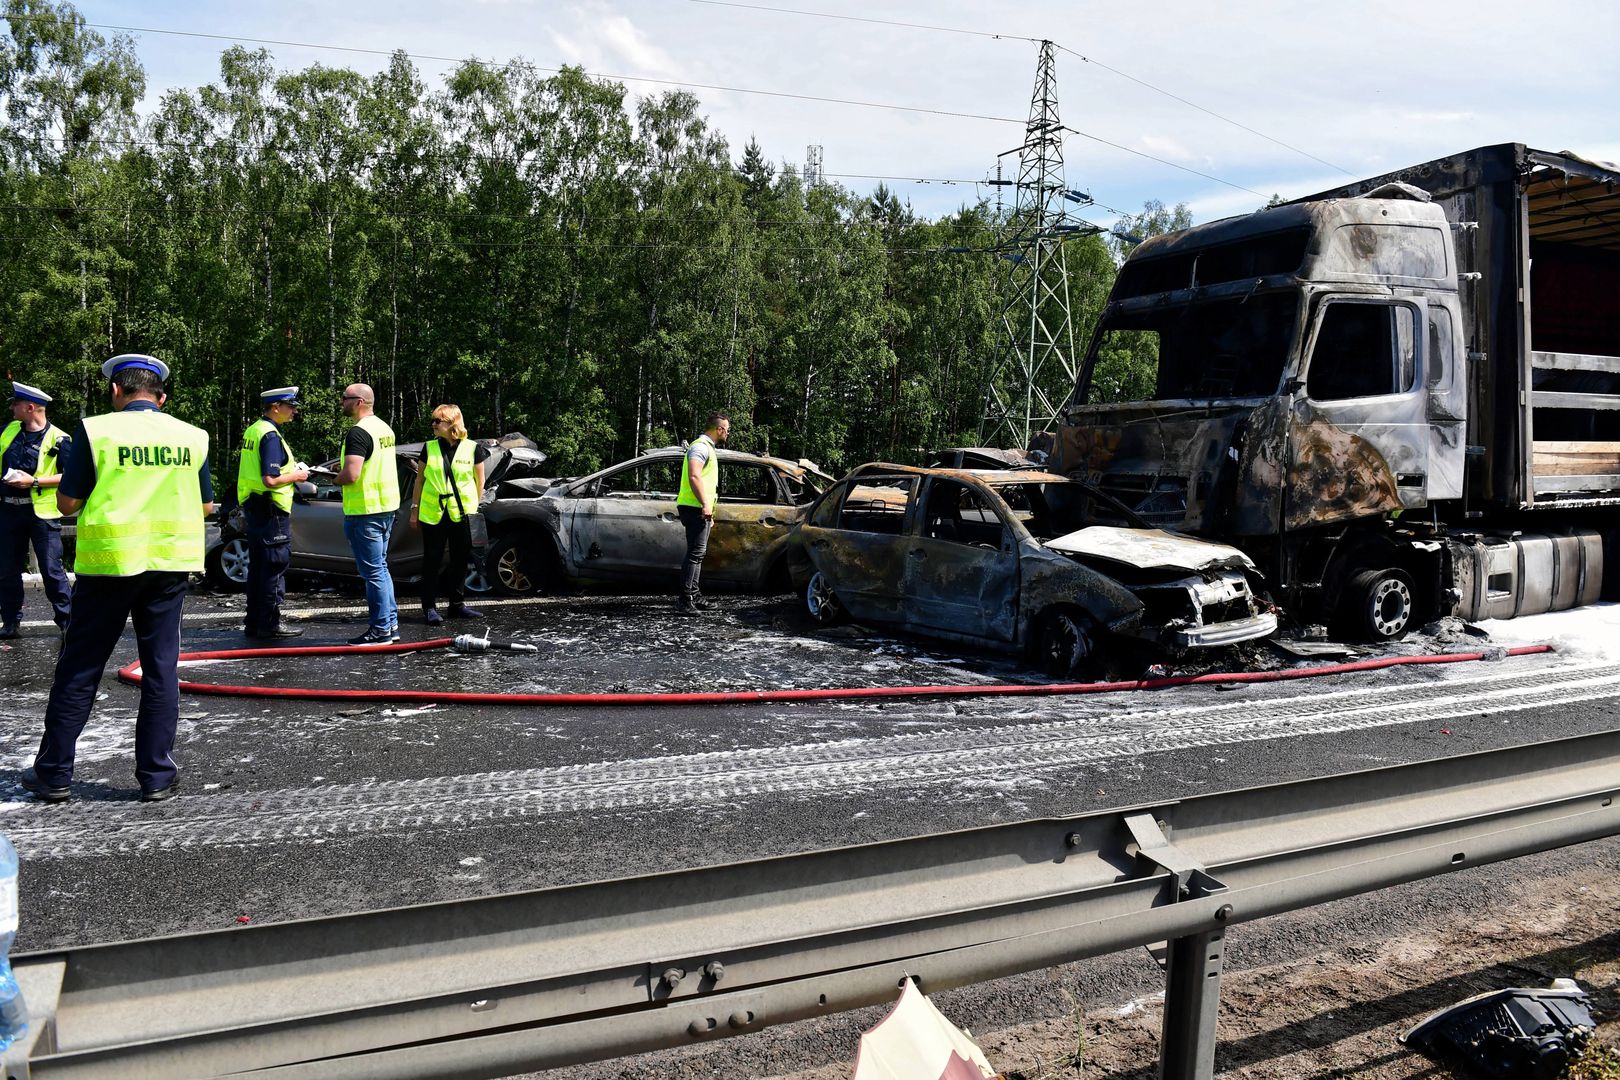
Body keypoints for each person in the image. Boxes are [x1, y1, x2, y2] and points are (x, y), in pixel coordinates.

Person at [20, 353, 212, 804]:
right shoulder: (193, 436)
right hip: (169, 566)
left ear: (115, 392)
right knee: (161, 669)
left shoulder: (97, 429)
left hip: (110, 564)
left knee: (81, 667)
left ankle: (54, 773)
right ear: (161, 397)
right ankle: (157, 776)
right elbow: (204, 507)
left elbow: (68, 503)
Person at [237, 386, 311, 638]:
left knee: (258, 568)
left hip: (256, 506)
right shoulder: (270, 435)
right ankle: (269, 624)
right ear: (275, 407)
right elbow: (270, 478)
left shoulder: (254, 429)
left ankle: (254, 622)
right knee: (273, 568)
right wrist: (298, 475)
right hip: (272, 509)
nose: (294, 411)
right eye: (291, 406)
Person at [0, 382, 71, 637]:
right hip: (8, 512)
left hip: (41, 514)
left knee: (51, 570)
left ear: (30, 408)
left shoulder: (60, 439)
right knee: (7, 571)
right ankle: (10, 623)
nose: (11, 407)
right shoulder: (7, 432)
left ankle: (66, 623)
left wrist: (34, 482)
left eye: (15, 404)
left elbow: (71, 476)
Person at [408, 404, 488, 626]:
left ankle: (457, 604)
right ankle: (429, 607)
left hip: (462, 512)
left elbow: (479, 481)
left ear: (452, 423)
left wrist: (473, 506)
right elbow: (420, 480)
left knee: (460, 559)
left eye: (437, 421)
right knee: (431, 560)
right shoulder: (429, 447)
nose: (433, 425)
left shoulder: (473, 448)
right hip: (434, 511)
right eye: (433, 421)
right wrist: (414, 510)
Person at [334, 383, 400, 645]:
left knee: (373, 573)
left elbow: (351, 475)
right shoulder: (384, 428)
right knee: (381, 570)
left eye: (345, 398)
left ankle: (381, 629)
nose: (341, 402)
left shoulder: (358, 433)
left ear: (359, 401)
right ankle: (390, 624)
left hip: (365, 511)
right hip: (385, 508)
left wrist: (329, 478)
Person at [674, 411, 730, 616]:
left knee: (698, 554)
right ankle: (685, 600)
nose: (728, 434)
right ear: (720, 429)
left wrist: (709, 510)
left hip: (699, 508)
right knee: (695, 554)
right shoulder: (700, 447)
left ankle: (694, 595)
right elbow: (694, 476)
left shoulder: (707, 448)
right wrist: (706, 504)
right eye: (727, 430)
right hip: (694, 508)